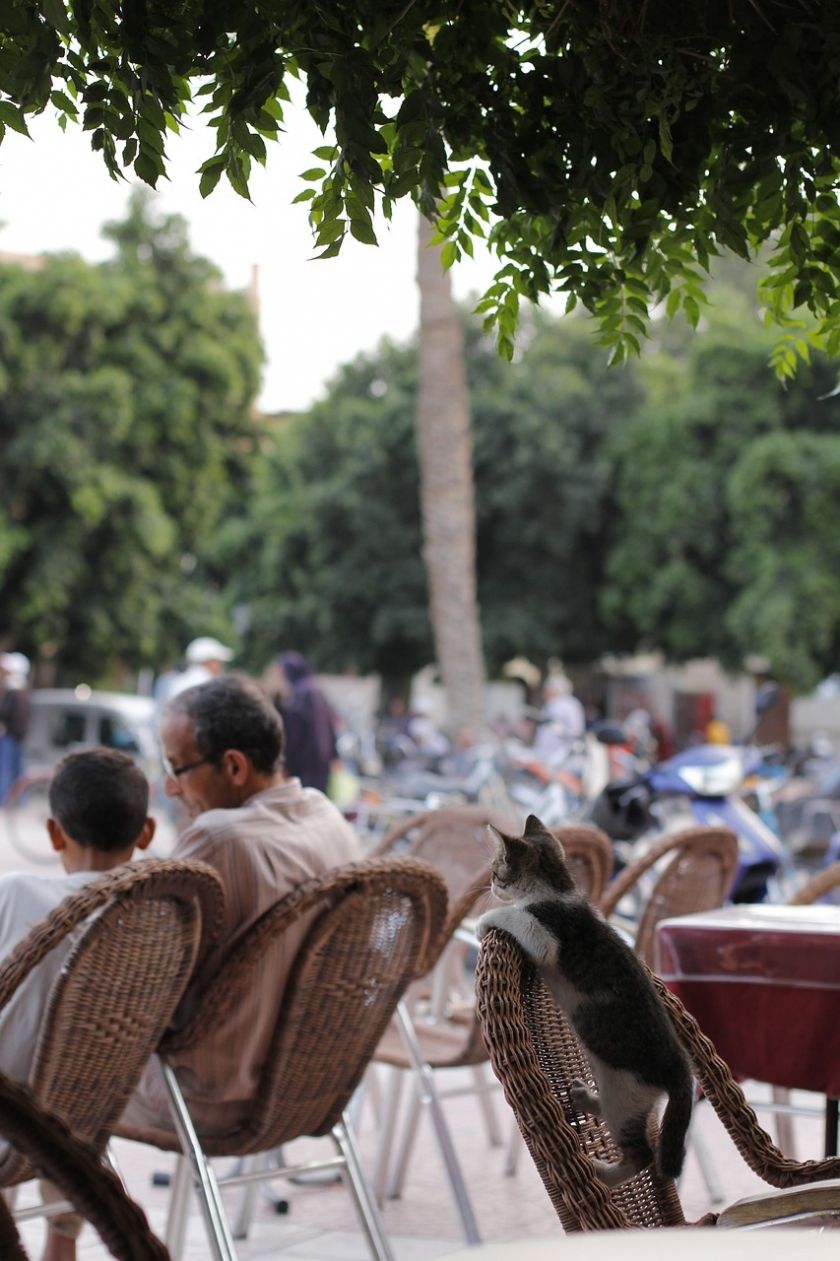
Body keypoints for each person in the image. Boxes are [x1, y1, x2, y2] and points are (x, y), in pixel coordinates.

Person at [122, 672, 363, 1138]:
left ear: (233, 767)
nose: (170, 788)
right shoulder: (326, 816)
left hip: (206, 1100)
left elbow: (142, 980)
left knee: (33, 1067)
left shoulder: (221, 840)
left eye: (177, 768)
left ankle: (67, 1211)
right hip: (311, 1094)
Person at [0, 747, 155, 1261]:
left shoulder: (16, 894)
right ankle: (61, 1241)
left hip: (9, 1123)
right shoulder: (159, 918)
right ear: (147, 833)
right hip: (76, 1130)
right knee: (57, 1070)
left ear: (53, 833)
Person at [272, 650, 338, 793]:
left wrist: (286, 763)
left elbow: (293, 733)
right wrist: (334, 755)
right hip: (321, 763)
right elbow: (331, 726)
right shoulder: (316, 689)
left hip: (304, 763)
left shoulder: (300, 694)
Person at [154, 636, 234, 706]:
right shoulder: (207, 683)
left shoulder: (170, 679)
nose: (221, 665)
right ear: (208, 661)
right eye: (218, 661)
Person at [0, 651, 32, 803]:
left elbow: (5, 711)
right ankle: (20, 801)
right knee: (18, 772)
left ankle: (4, 800)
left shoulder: (12, 689)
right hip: (20, 736)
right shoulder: (25, 689)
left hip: (11, 736)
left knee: (5, 771)